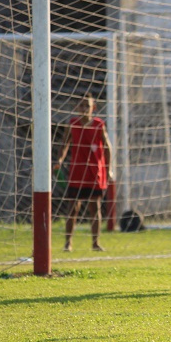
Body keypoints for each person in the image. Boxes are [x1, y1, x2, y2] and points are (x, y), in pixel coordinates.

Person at [56, 92, 113, 252]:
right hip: (77, 172)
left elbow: (107, 147)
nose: (83, 108)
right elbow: (64, 144)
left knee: (94, 207)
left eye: (86, 106)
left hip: (95, 173)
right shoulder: (72, 124)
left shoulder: (99, 125)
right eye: (81, 105)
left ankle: (95, 243)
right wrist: (60, 159)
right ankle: (68, 243)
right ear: (77, 107)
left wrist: (108, 169)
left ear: (93, 108)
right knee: (73, 207)